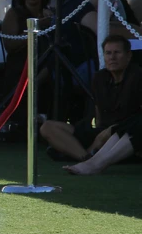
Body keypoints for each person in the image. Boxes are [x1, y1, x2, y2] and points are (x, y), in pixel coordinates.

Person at [41, 35, 142, 168]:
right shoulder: (100, 78)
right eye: (108, 53)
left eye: (117, 52)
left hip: (123, 133)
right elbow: (98, 113)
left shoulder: (138, 76)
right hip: (101, 131)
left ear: (128, 56)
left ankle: (82, 156)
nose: (112, 57)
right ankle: (86, 157)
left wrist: (107, 133)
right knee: (48, 127)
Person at [0, 0, 52, 97]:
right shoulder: (14, 14)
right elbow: (10, 45)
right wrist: (37, 27)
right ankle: (31, 86)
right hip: (21, 64)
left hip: (46, 63)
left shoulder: (50, 15)